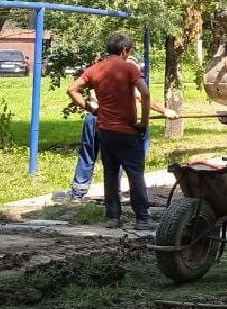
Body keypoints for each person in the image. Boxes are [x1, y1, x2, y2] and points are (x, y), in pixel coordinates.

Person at [67, 32, 152, 229]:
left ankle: (113, 217)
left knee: (111, 173)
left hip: (104, 130)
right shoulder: (129, 68)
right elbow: (145, 93)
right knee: (135, 173)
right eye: (129, 50)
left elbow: (72, 89)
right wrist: (144, 122)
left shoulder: (95, 69)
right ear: (124, 50)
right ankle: (142, 218)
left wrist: (91, 108)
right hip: (128, 131)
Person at [68, 54, 176, 201]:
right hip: (108, 122)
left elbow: (73, 90)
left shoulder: (103, 72)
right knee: (115, 159)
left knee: (90, 155)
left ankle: (78, 194)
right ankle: (117, 197)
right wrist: (164, 111)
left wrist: (91, 108)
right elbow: (143, 96)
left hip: (94, 117)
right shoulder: (124, 76)